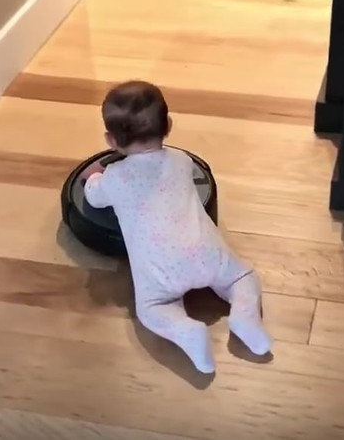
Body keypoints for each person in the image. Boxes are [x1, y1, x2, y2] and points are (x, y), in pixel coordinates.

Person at [81, 80, 272, 373]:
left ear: (111, 142)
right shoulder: (182, 160)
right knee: (243, 278)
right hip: (207, 253)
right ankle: (245, 316)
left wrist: (95, 176)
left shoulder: (115, 178)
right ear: (168, 125)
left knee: (152, 310)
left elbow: (93, 198)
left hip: (161, 273)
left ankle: (187, 331)